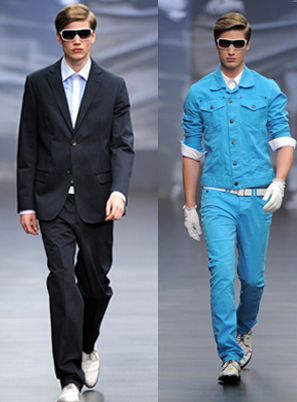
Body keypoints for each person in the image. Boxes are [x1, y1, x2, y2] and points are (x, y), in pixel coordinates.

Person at [17, 4, 134, 401]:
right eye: (70, 34)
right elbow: (28, 145)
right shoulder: (38, 83)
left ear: (93, 36)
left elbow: (122, 144)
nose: (77, 40)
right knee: (63, 283)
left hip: (98, 199)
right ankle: (69, 377)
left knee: (96, 287)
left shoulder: (113, 85)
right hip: (52, 201)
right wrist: (26, 204)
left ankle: (87, 344)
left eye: (84, 33)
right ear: (59, 38)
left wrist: (119, 190)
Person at [181, 12, 296, 383]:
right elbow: (191, 151)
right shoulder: (199, 93)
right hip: (216, 196)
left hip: (257, 197)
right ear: (216, 45)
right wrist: (189, 206)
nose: (231, 50)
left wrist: (279, 182)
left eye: (238, 43)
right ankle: (229, 354)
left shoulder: (267, 89)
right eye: (224, 43)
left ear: (247, 45)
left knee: (253, 280)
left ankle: (244, 329)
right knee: (220, 275)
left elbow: (284, 140)